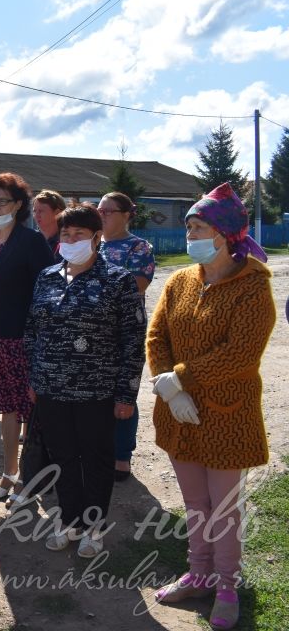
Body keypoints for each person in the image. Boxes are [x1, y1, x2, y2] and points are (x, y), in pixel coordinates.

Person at [149, 183, 275, 631]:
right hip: (179, 415)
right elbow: (157, 335)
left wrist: (178, 379)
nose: (189, 235)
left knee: (224, 508)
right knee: (196, 504)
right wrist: (170, 390)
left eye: (197, 226)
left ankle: (226, 584)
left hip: (227, 414)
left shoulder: (253, 287)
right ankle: (198, 573)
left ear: (223, 234)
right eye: (188, 227)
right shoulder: (180, 281)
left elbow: (240, 353)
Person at [26, 204, 146, 557]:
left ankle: (94, 525)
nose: (71, 240)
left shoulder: (118, 281)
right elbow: (32, 330)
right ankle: (69, 520)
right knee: (62, 456)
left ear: (96, 237)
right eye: (66, 234)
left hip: (97, 389)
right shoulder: (47, 277)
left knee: (95, 458)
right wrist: (34, 378)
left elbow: (132, 340)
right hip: (51, 387)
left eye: (79, 234)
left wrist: (126, 393)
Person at [0, 173, 55, 501]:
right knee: (7, 409)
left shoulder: (31, 242)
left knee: (30, 411)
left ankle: (29, 476)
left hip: (24, 339)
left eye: (1, 200)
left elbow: (46, 292)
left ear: (19, 204)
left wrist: (39, 336)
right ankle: (9, 472)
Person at [98, 191, 156, 481]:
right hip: (91, 332)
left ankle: (122, 455)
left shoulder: (139, 247)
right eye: (100, 210)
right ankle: (98, 450)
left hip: (124, 331)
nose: (102, 215)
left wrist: (95, 285)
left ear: (125, 214)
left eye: (108, 211)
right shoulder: (91, 243)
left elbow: (139, 284)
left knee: (123, 392)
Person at [32, 189, 66, 254]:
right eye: (34, 211)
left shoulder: (68, 241)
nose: (36, 215)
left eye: (41, 211)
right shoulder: (30, 240)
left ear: (57, 213)